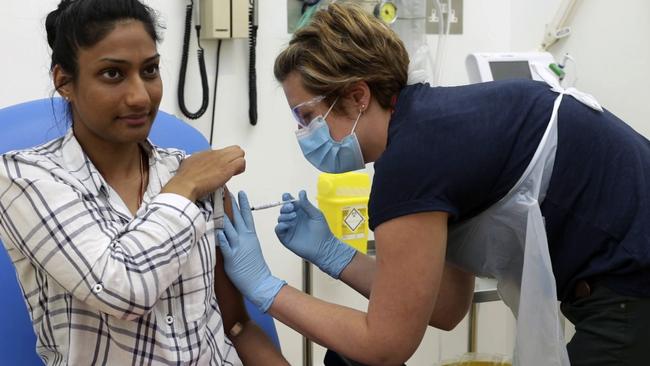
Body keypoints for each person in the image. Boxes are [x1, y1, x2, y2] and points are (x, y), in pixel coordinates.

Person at [216, 3, 650, 366]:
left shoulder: (413, 161)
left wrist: (264, 288)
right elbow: (445, 307)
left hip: (631, 281)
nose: (302, 133)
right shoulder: (427, 128)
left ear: (357, 96)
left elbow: (384, 345)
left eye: (306, 115)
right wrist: (333, 254)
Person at [0, 1, 288, 364]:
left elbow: (236, 326)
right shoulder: (25, 179)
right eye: (112, 74)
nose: (140, 96)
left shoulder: (194, 174)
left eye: (150, 70)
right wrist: (183, 190)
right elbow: (123, 291)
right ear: (64, 81)